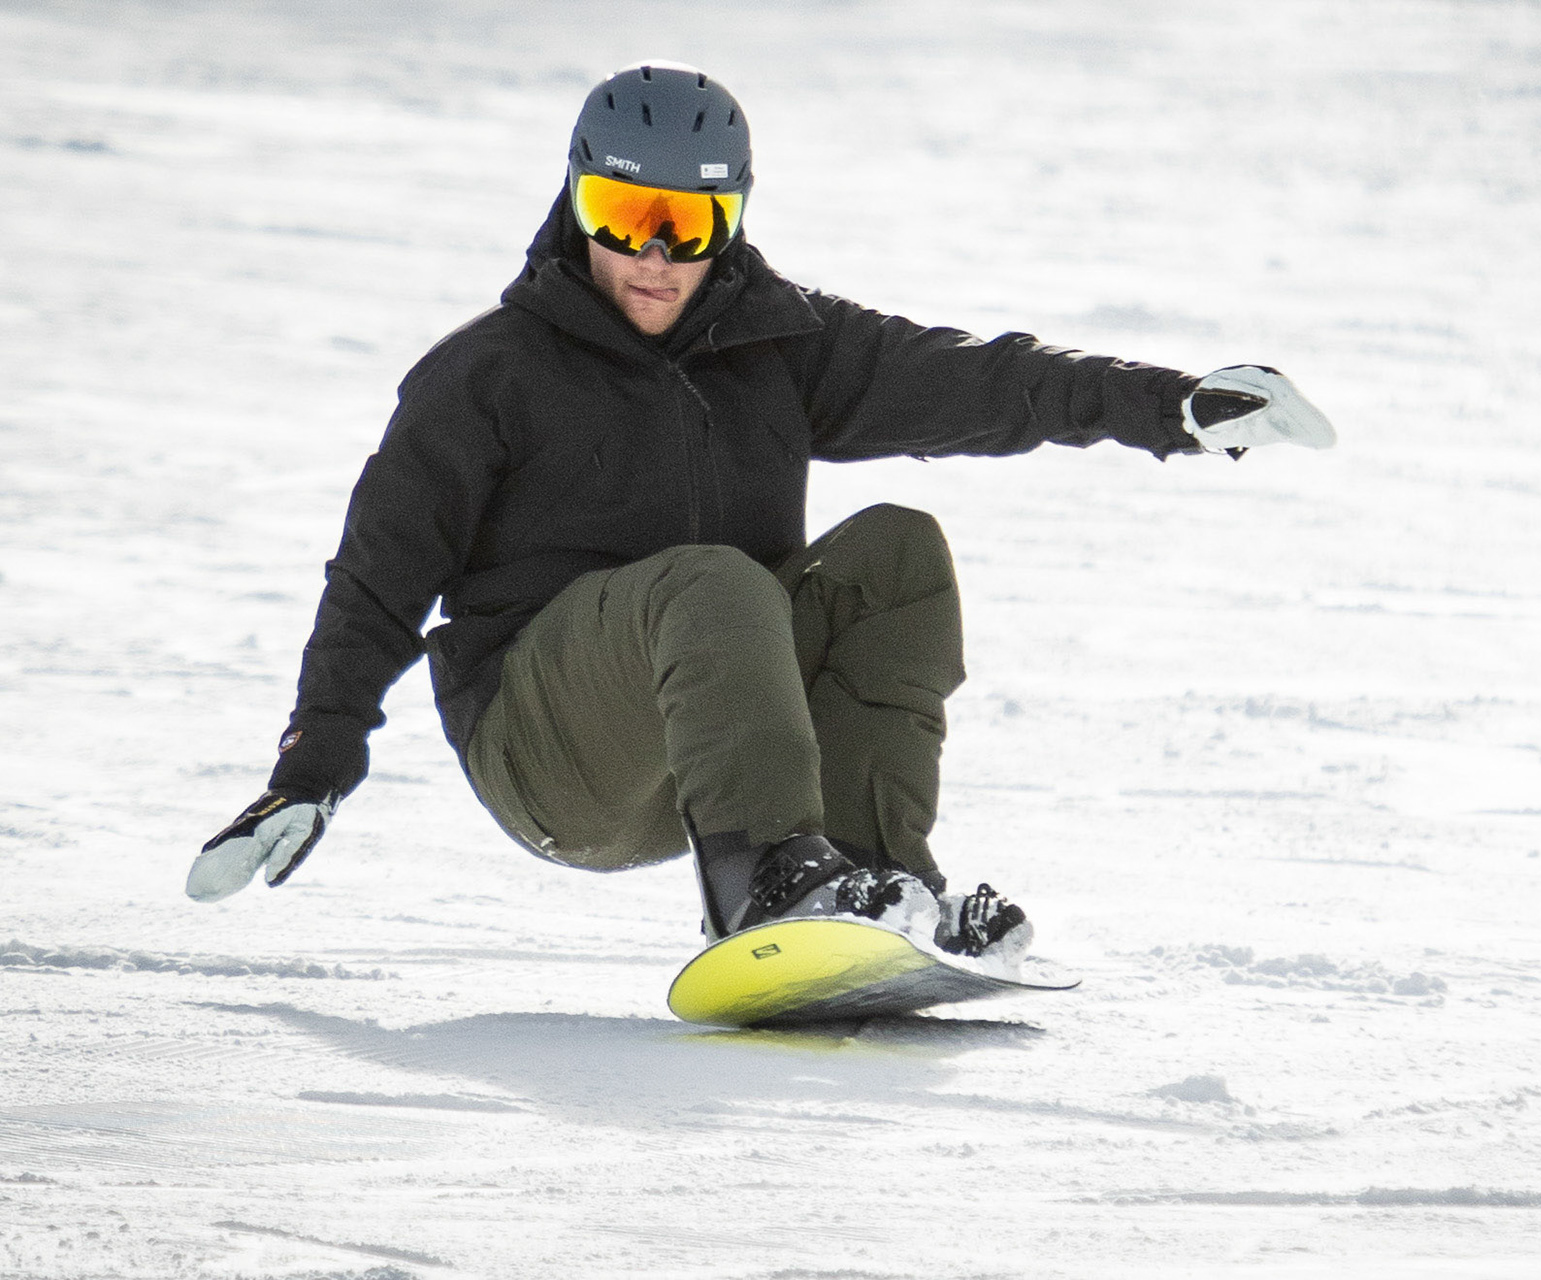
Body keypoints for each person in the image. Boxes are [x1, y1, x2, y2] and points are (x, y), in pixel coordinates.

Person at [185, 61, 1335, 965]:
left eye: (687, 225)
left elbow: (983, 380)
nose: (651, 252)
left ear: (726, 223)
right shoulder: (487, 375)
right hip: (545, 751)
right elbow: (379, 574)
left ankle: (879, 883)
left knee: (895, 552)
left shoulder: (779, 346)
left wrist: (1169, 406)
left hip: (713, 744)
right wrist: (313, 765)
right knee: (714, 578)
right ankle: (766, 888)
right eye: (622, 211)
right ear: (575, 201)